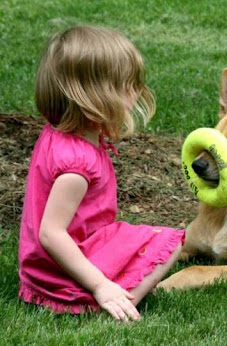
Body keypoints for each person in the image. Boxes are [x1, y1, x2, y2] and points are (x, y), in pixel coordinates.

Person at [18, 25, 185, 321]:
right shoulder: (77, 165)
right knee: (169, 241)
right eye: (127, 85)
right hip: (61, 268)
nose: (136, 92)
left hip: (49, 262)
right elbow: (51, 233)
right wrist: (100, 285)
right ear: (95, 96)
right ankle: (112, 298)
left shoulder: (64, 135)